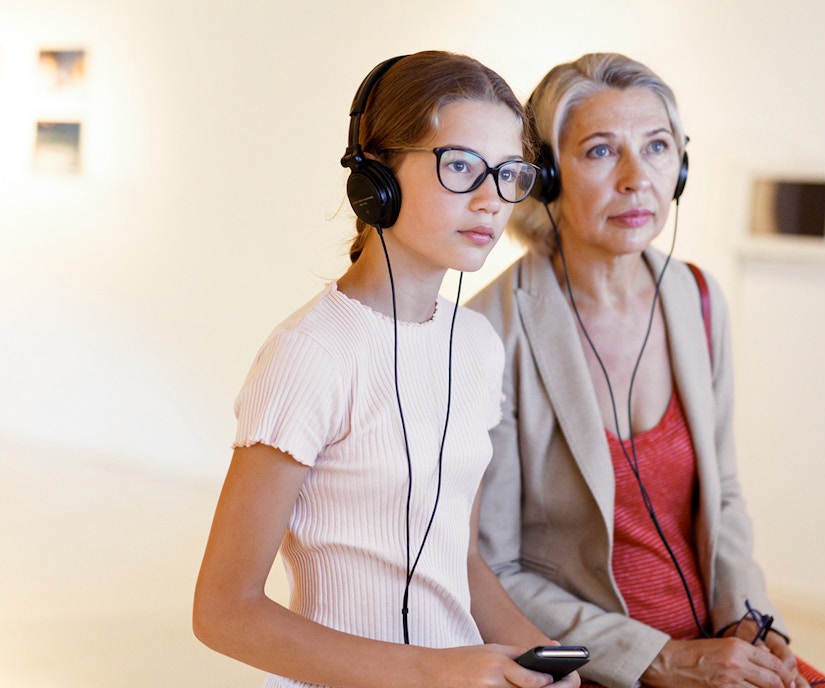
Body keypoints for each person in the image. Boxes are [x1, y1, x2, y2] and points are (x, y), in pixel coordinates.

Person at [193, 51, 581, 688]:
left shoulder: (478, 344)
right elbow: (223, 612)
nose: (491, 201)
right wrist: (431, 670)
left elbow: (459, 560)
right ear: (377, 178)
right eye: (460, 166)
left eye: (510, 173)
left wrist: (545, 657)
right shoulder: (310, 354)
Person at [469, 53, 825, 688]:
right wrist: (656, 659)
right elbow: (493, 571)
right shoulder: (487, 333)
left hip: (715, 645)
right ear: (547, 177)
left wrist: (750, 620)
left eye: (658, 147)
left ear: (682, 167)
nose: (638, 179)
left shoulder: (698, 298)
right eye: (601, 152)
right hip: (601, 662)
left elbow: (722, 495)